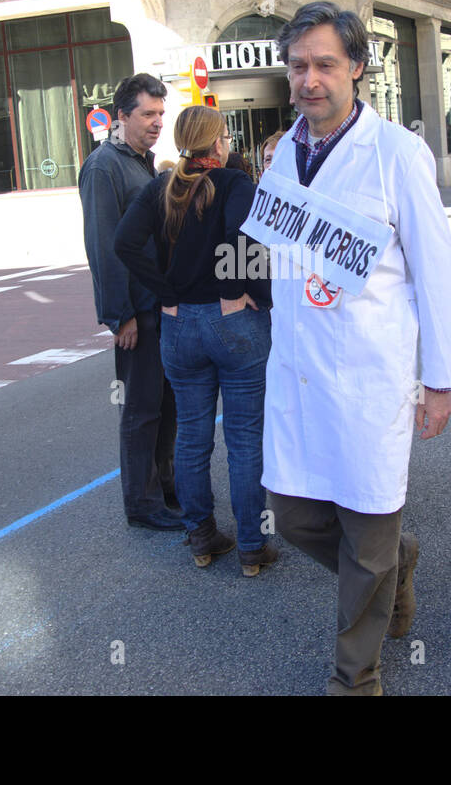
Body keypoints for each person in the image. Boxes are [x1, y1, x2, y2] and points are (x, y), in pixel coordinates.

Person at [262, 1, 451, 695]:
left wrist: (439, 381)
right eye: (298, 67)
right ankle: (395, 563)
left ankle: (356, 677)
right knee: (293, 516)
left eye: (324, 65)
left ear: (357, 69)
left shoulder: (399, 153)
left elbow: (437, 273)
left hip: (373, 374)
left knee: (367, 529)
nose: (309, 80)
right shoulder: (282, 150)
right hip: (299, 373)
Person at [114, 106, 278, 575]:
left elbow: (124, 244)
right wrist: (239, 293)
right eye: (225, 136)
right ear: (219, 142)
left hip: (179, 324)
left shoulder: (160, 188)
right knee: (245, 437)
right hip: (233, 324)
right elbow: (242, 240)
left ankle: (201, 536)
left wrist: (167, 292)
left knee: (192, 434)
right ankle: (251, 545)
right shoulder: (233, 184)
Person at [79, 73, 182, 532]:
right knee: (142, 409)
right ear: (122, 116)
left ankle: (164, 488)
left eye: (161, 114)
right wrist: (120, 316)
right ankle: (141, 503)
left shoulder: (143, 162)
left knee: (166, 405)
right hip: (136, 313)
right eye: (147, 114)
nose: (157, 122)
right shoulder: (104, 167)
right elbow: (103, 246)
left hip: (159, 306)